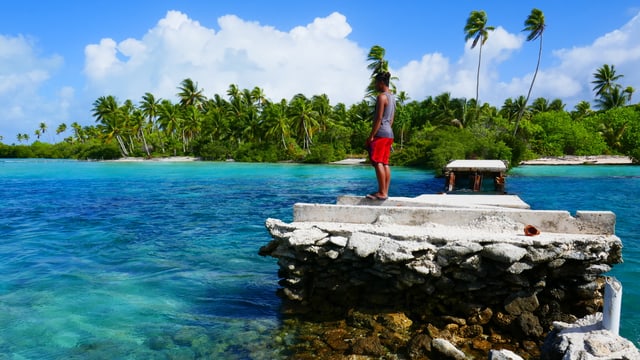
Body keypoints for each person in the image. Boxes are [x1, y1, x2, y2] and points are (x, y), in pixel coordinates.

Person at [366, 71, 395, 200]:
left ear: (381, 82)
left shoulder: (381, 97)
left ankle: (382, 192)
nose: (375, 85)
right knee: (385, 163)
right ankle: (385, 191)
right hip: (389, 133)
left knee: (378, 162)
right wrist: (387, 128)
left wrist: (372, 135)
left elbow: (378, 118)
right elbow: (391, 119)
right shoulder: (392, 97)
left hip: (381, 133)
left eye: (376, 82)